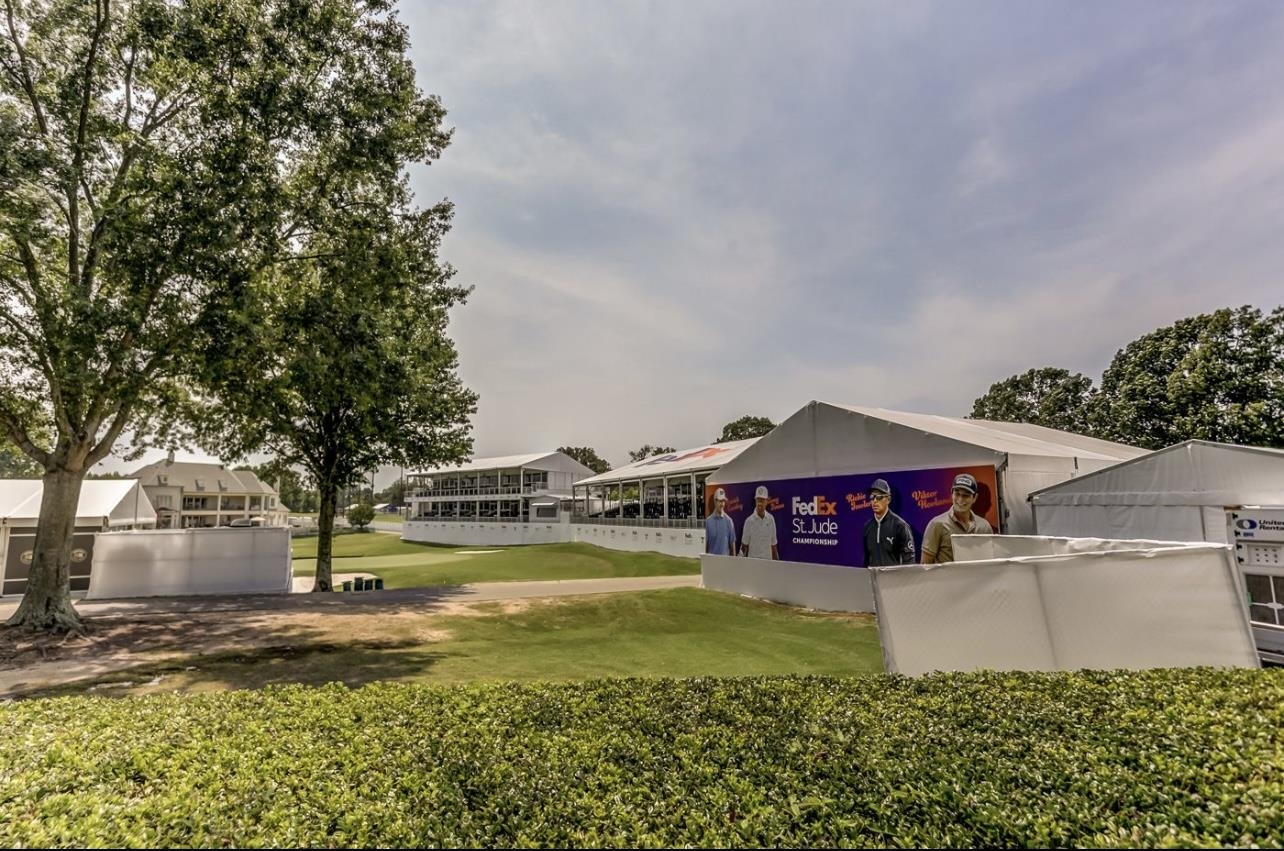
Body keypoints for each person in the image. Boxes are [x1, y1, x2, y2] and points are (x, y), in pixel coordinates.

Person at [921, 473, 994, 564]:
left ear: (975, 498)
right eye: (957, 494)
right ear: (951, 494)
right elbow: (925, 566)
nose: (960, 499)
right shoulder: (937, 524)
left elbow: (990, 562)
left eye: (966, 495)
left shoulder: (984, 526)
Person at [861, 478, 916, 567]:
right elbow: (867, 559)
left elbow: (909, 560)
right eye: (872, 497)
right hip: (873, 580)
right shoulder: (867, 527)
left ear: (888, 499)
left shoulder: (900, 526)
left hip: (894, 580)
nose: (874, 501)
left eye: (879, 497)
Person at [740, 485, 779, 560]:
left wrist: (778, 566)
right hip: (753, 565)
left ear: (767, 501)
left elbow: (773, 546)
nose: (759, 503)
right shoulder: (749, 521)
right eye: (758, 500)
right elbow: (744, 546)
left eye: (762, 500)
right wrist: (738, 562)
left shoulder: (771, 519)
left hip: (768, 565)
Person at [704, 488, 736, 556]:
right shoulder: (708, 521)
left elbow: (732, 547)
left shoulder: (729, 521)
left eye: (723, 501)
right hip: (712, 562)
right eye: (720, 501)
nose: (722, 504)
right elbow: (707, 545)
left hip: (724, 563)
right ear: (715, 501)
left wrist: (733, 565)